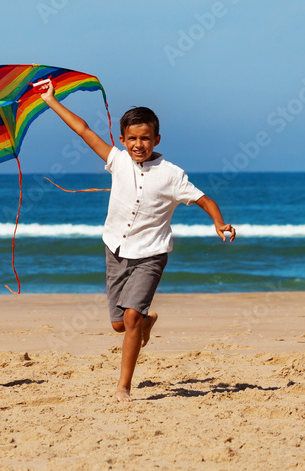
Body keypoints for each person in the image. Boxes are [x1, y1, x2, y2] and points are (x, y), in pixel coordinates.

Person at [38, 82, 235, 402]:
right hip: (115, 248)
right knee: (119, 324)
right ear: (122, 139)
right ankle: (147, 320)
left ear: (157, 139)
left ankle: (123, 387)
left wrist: (218, 222)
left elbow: (204, 199)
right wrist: (50, 100)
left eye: (145, 138)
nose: (138, 144)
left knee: (130, 318)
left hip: (151, 254)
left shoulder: (172, 174)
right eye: (132, 138)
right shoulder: (117, 161)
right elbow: (84, 131)